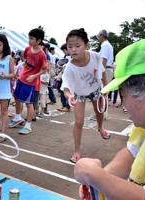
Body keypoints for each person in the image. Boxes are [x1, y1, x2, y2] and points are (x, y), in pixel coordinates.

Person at [75, 39, 145, 200]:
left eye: (123, 94)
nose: (124, 104)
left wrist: (94, 175)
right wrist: (101, 178)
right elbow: (133, 153)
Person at [61, 28, 110, 163]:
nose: (74, 50)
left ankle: (100, 127)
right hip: (79, 93)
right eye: (70, 47)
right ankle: (77, 151)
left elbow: (103, 72)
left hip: (95, 89)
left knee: (100, 111)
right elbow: (66, 89)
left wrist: (106, 87)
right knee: (79, 121)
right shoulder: (69, 67)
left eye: (78, 46)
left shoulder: (96, 56)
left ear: (86, 45)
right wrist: (69, 96)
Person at [8, 28, 47, 134]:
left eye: (31, 38)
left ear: (38, 40)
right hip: (21, 78)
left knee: (29, 104)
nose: (29, 40)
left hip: (30, 82)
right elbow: (25, 59)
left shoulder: (42, 54)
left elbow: (44, 69)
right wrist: (24, 71)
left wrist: (34, 75)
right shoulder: (27, 49)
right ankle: (17, 118)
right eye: (29, 38)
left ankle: (28, 125)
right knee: (16, 98)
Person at [91, 29, 115, 121]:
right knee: (103, 92)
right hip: (108, 69)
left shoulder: (105, 45)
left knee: (102, 92)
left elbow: (104, 60)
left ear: (102, 35)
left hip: (105, 70)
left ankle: (101, 114)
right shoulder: (108, 45)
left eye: (98, 36)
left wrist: (101, 72)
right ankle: (102, 113)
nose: (98, 38)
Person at [57, 43, 71, 112]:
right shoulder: (65, 56)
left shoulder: (71, 56)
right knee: (62, 90)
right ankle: (63, 105)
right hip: (64, 74)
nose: (64, 52)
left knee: (67, 91)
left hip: (69, 76)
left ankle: (67, 106)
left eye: (64, 50)